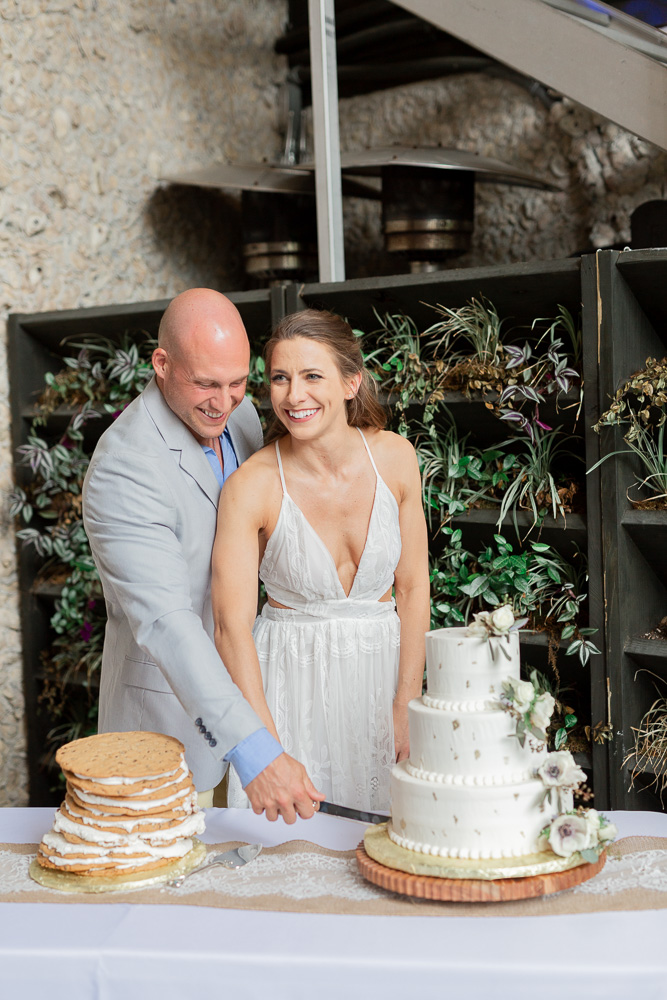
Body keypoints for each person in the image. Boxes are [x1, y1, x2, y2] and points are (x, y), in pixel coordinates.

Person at [82, 288, 323, 823]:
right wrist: (254, 749)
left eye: (238, 382)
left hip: (248, 705)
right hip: (163, 741)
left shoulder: (241, 421)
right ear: (162, 365)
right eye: (206, 384)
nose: (223, 401)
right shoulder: (125, 466)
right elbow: (168, 623)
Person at [211, 308, 431, 812]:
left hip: (383, 680)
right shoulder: (251, 485)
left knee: (395, 847)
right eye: (281, 379)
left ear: (351, 381)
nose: (294, 395)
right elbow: (230, 627)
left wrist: (407, 705)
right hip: (288, 688)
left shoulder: (397, 458)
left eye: (313, 376)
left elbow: (414, 589)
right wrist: (263, 749)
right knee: (290, 856)